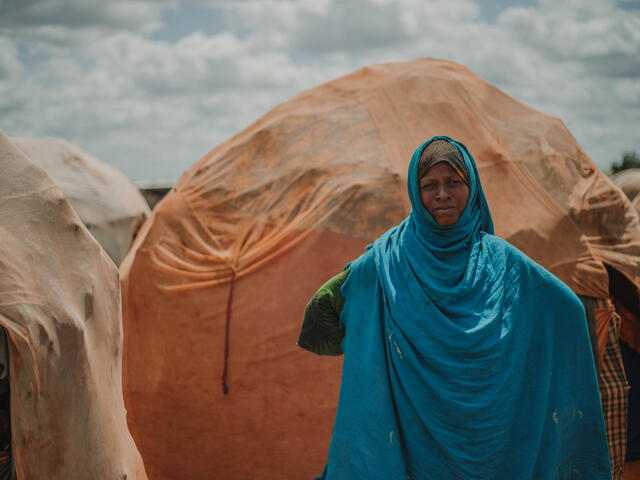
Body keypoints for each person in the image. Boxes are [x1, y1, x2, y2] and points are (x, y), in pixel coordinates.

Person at [297, 136, 611, 479]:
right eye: (429, 185)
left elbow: (565, 307)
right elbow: (327, 305)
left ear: (472, 186)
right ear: (416, 194)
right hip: (413, 437)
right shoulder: (388, 260)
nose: (442, 194)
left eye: (454, 182)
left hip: (493, 436)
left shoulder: (502, 261)